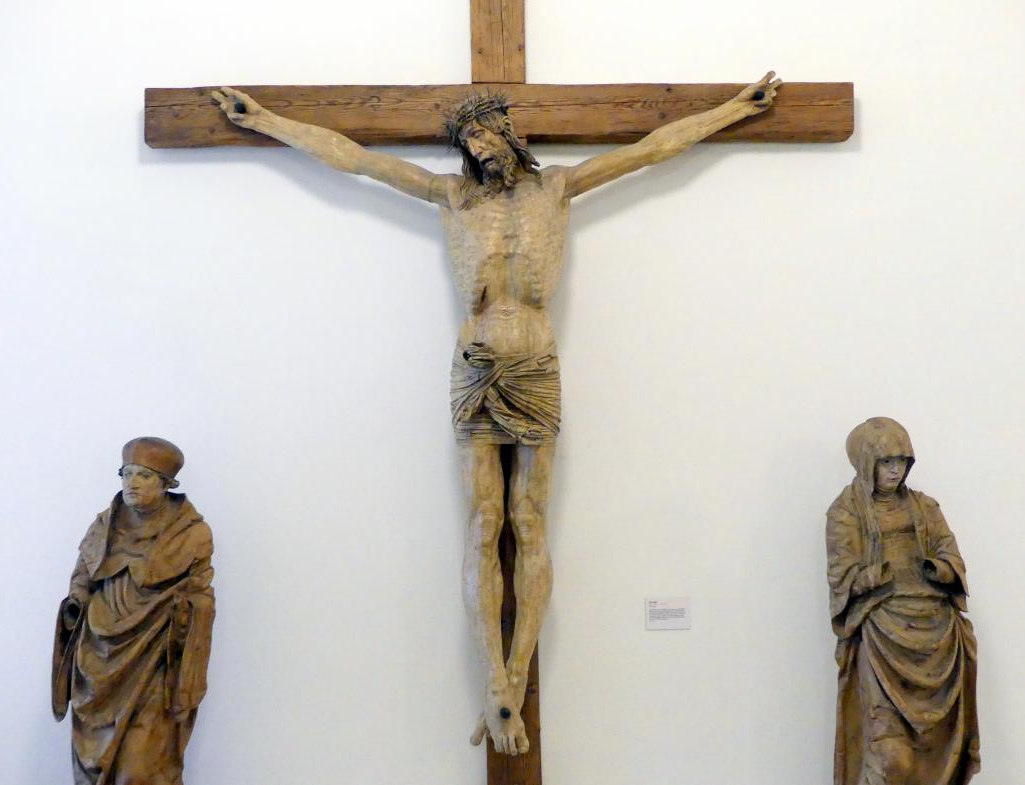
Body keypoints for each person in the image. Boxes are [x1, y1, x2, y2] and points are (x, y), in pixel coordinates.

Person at [211, 74, 781, 755]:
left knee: (529, 520)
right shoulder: (451, 196)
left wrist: (730, 110)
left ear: (509, 133)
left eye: (483, 132)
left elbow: (650, 150)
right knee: (485, 523)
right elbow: (357, 159)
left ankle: (516, 670)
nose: (476, 147)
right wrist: (265, 120)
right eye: (466, 140)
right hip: (476, 366)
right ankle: (496, 684)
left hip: (535, 365)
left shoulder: (557, 188)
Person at [52, 437, 215, 785]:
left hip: (153, 656)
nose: (132, 483)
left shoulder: (191, 534)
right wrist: (76, 600)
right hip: (96, 658)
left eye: (144, 475)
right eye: (127, 474)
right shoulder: (104, 525)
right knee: (92, 765)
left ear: (166, 484)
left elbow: (202, 594)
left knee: (141, 767)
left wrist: (185, 613)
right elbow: (83, 573)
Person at [826, 417, 979, 785]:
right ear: (866, 462)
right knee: (889, 757)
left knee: (938, 745)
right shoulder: (846, 512)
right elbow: (841, 573)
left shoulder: (924, 506)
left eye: (901, 461)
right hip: (882, 633)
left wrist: (940, 569)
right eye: (885, 462)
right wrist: (869, 577)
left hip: (936, 633)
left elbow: (948, 552)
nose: (895, 471)